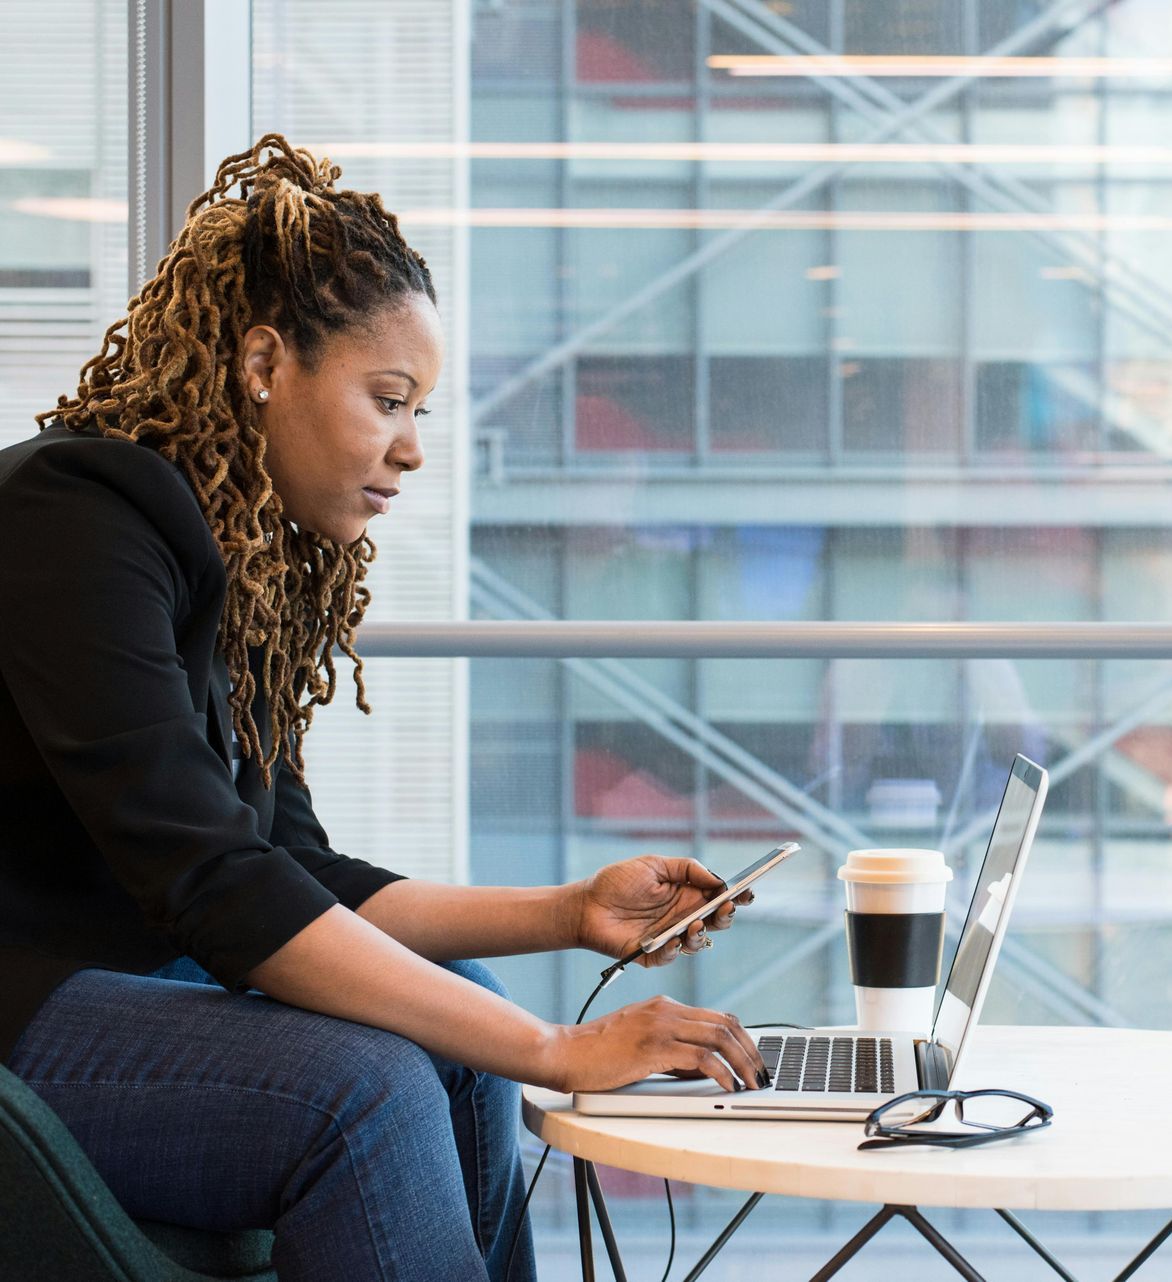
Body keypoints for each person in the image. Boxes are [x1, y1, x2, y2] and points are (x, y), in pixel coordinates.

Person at [0, 134, 769, 1282]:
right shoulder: (77, 515)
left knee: (460, 1025)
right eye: (388, 399)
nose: (412, 450)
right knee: (365, 1090)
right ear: (265, 363)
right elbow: (214, 884)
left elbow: (292, 871)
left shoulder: (241, 560)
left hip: (124, 983)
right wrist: (559, 1046)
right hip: (25, 1006)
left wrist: (568, 911)